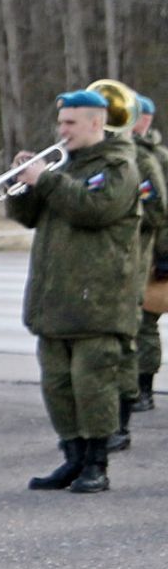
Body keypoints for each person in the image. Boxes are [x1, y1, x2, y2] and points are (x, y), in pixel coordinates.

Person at [7, 89, 142, 494]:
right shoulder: (65, 165)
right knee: (58, 386)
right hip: (55, 298)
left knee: (92, 384)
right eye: (60, 122)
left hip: (98, 298)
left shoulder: (118, 165)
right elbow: (28, 217)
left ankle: (96, 464)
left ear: (96, 123)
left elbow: (95, 209)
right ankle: (73, 457)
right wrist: (25, 182)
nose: (61, 130)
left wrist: (45, 179)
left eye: (70, 123)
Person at [134, 95, 165, 414]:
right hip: (129, 254)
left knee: (145, 321)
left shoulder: (157, 158)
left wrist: (165, 255)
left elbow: (162, 212)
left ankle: (145, 388)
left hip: (153, 253)